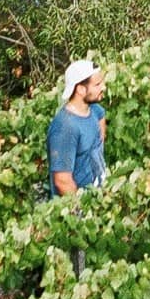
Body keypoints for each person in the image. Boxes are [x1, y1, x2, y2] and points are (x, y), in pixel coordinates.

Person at [48, 60, 108, 197]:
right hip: (81, 203)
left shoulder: (93, 109)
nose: (103, 87)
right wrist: (81, 211)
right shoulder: (65, 128)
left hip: (98, 192)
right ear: (80, 89)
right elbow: (62, 181)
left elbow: (101, 115)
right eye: (97, 84)